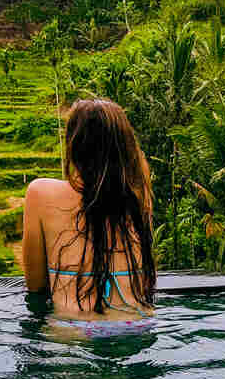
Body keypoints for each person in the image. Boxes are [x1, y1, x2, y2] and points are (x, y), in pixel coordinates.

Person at [22, 98, 156, 337]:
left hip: (74, 329)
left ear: (73, 145)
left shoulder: (40, 193)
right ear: (125, 146)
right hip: (137, 325)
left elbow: (36, 285)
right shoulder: (138, 193)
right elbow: (137, 166)